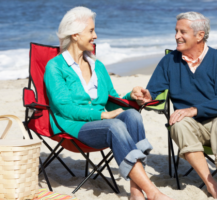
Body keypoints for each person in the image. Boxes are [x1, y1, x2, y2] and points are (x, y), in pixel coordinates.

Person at [44, 6, 173, 200]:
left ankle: (136, 193)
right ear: (75, 35)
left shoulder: (98, 66)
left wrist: (131, 96)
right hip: (71, 125)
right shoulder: (55, 67)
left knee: (132, 115)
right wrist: (102, 115)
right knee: (114, 126)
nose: (95, 35)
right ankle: (153, 192)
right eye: (91, 30)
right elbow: (65, 108)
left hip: (99, 123)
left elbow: (112, 100)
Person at [132, 12, 217, 200]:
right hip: (196, 127)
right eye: (176, 31)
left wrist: (193, 110)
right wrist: (146, 97)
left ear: (199, 35)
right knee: (177, 124)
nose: (176, 36)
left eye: (182, 32)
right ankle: (212, 185)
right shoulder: (169, 61)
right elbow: (152, 93)